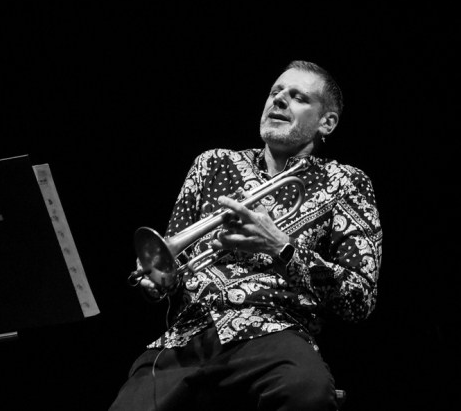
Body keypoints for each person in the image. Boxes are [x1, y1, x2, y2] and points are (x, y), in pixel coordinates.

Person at [109, 60, 382, 411]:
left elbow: (360, 299)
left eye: (298, 97)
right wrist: (158, 277)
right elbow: (174, 262)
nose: (279, 100)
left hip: (276, 332)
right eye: (275, 92)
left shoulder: (346, 181)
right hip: (188, 335)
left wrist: (282, 248)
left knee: (307, 392)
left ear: (326, 123)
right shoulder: (212, 163)